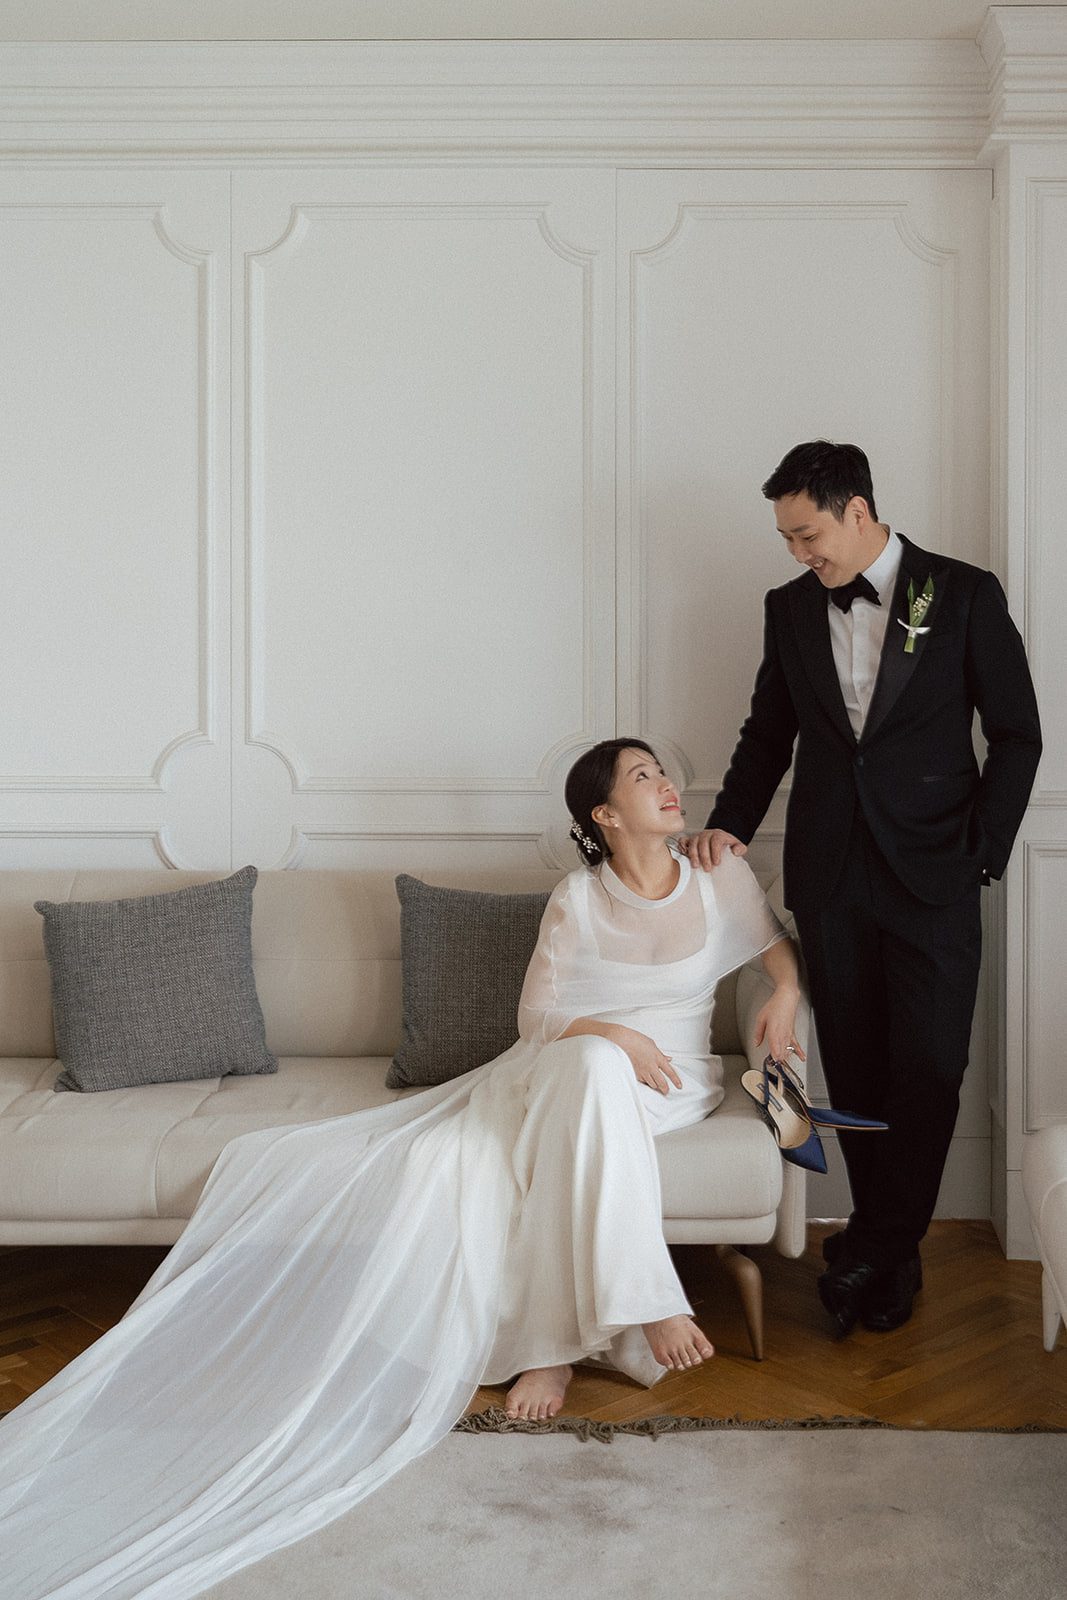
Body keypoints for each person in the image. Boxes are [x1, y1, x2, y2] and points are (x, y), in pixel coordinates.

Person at [0, 738, 801, 1600]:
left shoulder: (719, 874)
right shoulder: (576, 897)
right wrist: (613, 1034)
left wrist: (785, 995)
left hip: (670, 1084)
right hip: (568, 1069)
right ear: (603, 816)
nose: (666, 787)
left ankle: (584, 1332)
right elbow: (539, 1019)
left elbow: (772, 956)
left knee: (576, 1099)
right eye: (642, 778)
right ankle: (603, 1321)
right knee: (461, 1144)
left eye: (662, 774)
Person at [682, 440, 1042, 1338]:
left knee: (928, 1066)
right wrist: (727, 818)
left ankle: (878, 1247)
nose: (798, 553)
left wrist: (982, 856)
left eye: (805, 534)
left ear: (856, 509)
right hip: (832, 873)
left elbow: (1017, 734)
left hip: (936, 876)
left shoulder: (959, 592)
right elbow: (768, 731)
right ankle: (887, 1257)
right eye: (785, 539)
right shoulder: (788, 609)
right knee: (860, 1069)